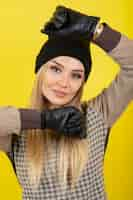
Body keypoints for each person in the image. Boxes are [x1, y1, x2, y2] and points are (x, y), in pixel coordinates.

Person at [0, 5, 133, 199]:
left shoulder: (98, 114)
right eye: (56, 69)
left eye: (76, 75)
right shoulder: (18, 130)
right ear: (41, 71)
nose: (64, 83)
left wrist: (94, 29)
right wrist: (44, 120)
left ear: (82, 82)